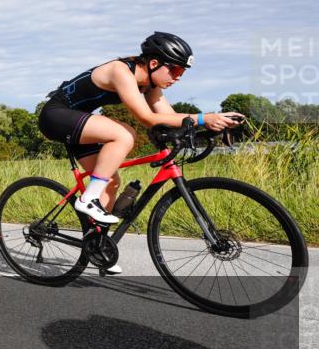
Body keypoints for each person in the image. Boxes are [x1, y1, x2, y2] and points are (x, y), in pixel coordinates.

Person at [38, 32, 243, 272]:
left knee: (111, 182)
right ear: (154, 63)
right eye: (175, 71)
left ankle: (98, 247)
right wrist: (202, 117)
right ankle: (87, 199)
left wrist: (207, 125)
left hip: (81, 123)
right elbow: (146, 117)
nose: (178, 78)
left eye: (182, 74)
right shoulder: (120, 71)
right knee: (124, 134)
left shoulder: (150, 85)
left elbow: (166, 118)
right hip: (55, 116)